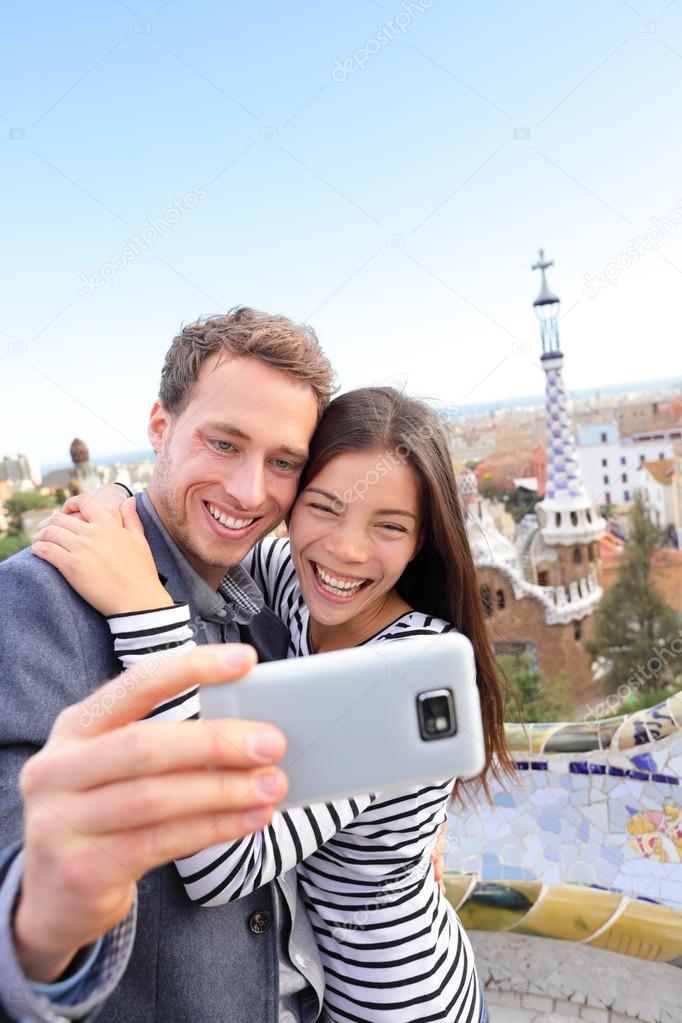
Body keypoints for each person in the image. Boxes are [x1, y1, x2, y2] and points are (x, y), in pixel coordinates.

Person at [33, 388, 513, 1021]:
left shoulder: (403, 672)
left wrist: (143, 614)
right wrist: (113, 504)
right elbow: (184, 524)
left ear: (422, 538)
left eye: (389, 526)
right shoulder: (294, 580)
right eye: (324, 507)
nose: (345, 550)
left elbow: (223, 867)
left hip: (402, 1002)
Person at [0, 308, 337, 1023]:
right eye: (224, 442)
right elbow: (18, 876)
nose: (249, 491)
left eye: (283, 462)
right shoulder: (34, 603)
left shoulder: (270, 600)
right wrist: (44, 925)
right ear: (161, 427)